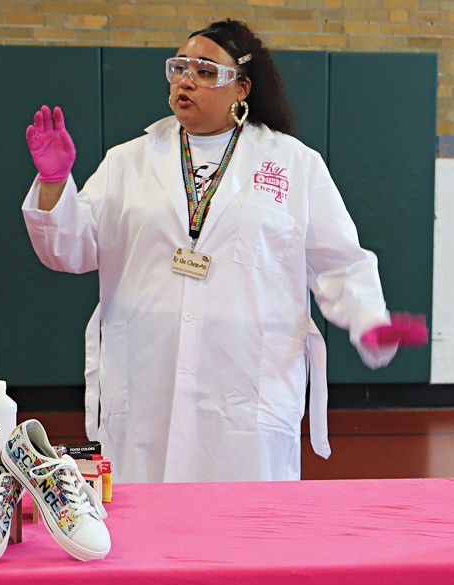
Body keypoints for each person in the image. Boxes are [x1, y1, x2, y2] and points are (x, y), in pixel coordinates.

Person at [21, 19, 427, 483]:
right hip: (147, 376)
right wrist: (55, 184)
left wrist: (370, 320)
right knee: (144, 529)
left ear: (242, 88)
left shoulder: (293, 164)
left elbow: (340, 262)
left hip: (246, 385)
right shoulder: (128, 161)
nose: (186, 80)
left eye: (206, 71)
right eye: (178, 68)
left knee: (246, 532)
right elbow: (70, 250)